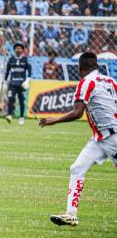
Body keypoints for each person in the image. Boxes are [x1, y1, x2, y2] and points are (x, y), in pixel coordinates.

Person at [39, 52, 117, 226]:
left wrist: (54, 120)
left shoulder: (85, 82)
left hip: (112, 138)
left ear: (80, 68)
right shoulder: (111, 81)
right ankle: (71, 214)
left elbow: (77, 112)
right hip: (100, 138)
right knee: (77, 168)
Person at [4, 43, 32, 125]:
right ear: (14, 50)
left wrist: (27, 80)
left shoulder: (25, 59)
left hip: (21, 84)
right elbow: (7, 71)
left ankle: (21, 117)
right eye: (16, 48)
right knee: (11, 98)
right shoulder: (11, 59)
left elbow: (30, 70)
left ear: (23, 50)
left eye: (20, 48)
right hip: (12, 83)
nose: (18, 50)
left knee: (21, 101)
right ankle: (9, 115)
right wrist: (5, 81)